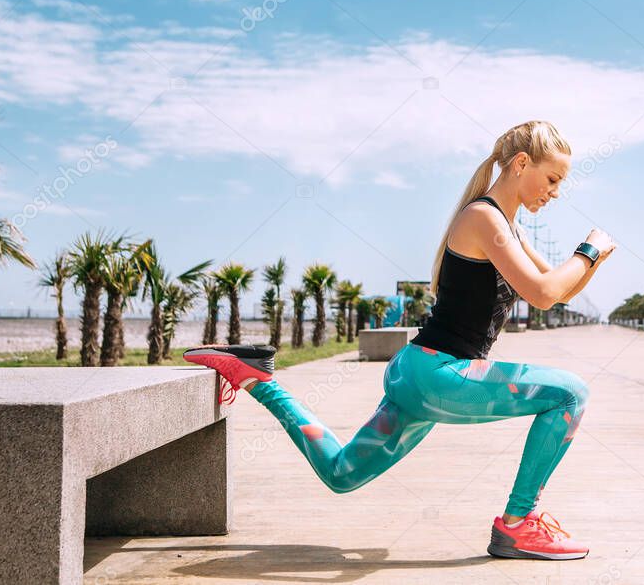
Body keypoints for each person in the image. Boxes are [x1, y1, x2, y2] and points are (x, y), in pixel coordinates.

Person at [184, 120, 616, 560]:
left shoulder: (511, 228)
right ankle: (518, 524)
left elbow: (555, 290)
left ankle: (259, 379)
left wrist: (594, 259)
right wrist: (589, 249)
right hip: (441, 375)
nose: (556, 191)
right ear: (522, 164)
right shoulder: (484, 218)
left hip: (422, 376)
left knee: (342, 473)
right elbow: (542, 294)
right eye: (553, 179)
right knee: (571, 394)